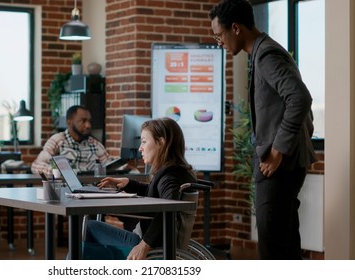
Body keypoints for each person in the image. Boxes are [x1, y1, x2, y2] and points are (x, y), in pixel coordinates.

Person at [209, 0, 316, 259]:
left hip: (278, 166)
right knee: (285, 246)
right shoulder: (261, 51)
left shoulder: (266, 54)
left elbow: (300, 98)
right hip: (284, 164)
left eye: (219, 35)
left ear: (235, 28)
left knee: (273, 250)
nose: (218, 42)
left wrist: (278, 150)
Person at [83, 117, 197, 260]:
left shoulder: (169, 178)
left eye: (144, 142)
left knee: (90, 227)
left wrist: (144, 245)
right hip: (156, 242)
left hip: (152, 245)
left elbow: (169, 210)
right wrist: (128, 183)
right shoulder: (176, 172)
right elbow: (156, 193)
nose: (139, 148)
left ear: (161, 142)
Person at [31, 105, 111, 174]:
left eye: (89, 121)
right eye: (83, 121)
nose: (88, 125)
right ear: (69, 123)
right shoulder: (57, 140)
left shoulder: (95, 144)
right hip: (65, 189)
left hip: (92, 189)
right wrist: (61, 173)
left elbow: (109, 167)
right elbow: (37, 165)